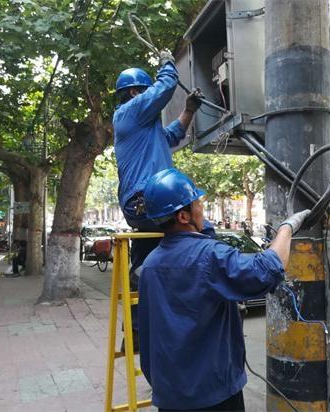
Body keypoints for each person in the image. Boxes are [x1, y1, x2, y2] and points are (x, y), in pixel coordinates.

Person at [138, 168, 311, 411]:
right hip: (213, 395)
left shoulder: (150, 265)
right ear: (183, 217)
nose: (202, 208)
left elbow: (146, 334)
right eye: (196, 203)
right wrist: (287, 228)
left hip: (170, 395)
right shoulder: (210, 257)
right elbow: (269, 268)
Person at [113, 51, 212, 350]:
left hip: (141, 206)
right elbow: (166, 86)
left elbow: (173, 134)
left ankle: (138, 333)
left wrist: (190, 110)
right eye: (146, 94)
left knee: (147, 257)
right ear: (134, 93)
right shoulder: (129, 112)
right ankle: (212, 290)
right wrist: (167, 63)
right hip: (146, 199)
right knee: (200, 228)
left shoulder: (146, 129)